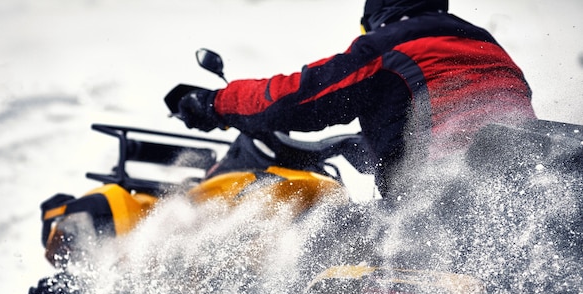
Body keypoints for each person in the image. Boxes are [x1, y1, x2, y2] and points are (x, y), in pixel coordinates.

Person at [177, 0, 537, 199]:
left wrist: (215, 103)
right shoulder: (487, 47)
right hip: (508, 200)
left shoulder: (390, 46)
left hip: (430, 207)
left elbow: (300, 98)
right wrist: (368, 146)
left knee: (314, 240)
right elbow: (451, 118)